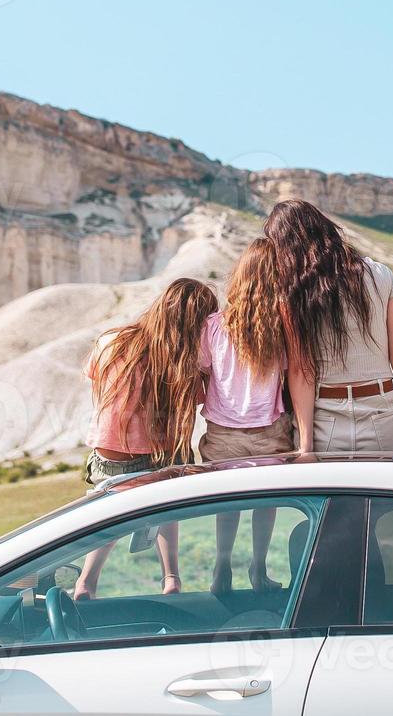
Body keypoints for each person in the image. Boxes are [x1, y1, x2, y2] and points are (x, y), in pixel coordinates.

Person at [263, 199, 393, 455]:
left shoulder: (292, 292)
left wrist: (306, 447)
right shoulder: (381, 275)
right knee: (388, 495)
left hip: (325, 422)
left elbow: (301, 371)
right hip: (383, 415)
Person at [73, 278, 218, 601]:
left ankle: (86, 582)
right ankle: (171, 577)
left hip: (113, 453)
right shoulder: (184, 362)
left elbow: (95, 377)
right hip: (165, 453)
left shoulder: (112, 342)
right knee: (166, 514)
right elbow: (196, 399)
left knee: (105, 519)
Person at [198, 237, 296, 594]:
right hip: (269, 427)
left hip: (223, 429)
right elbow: (290, 373)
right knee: (264, 504)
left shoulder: (214, 325)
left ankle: (221, 565)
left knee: (229, 504)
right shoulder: (281, 326)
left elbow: (203, 368)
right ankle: (258, 567)